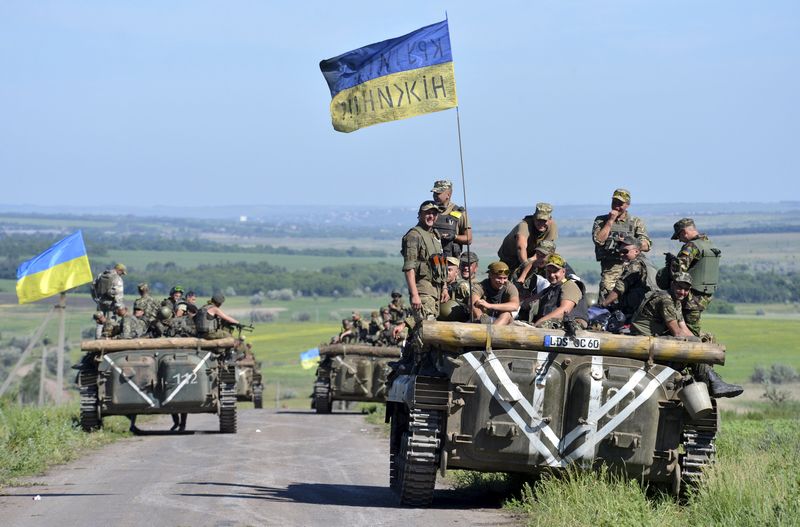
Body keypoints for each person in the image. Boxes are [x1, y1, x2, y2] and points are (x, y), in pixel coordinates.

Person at [630, 273, 742, 398]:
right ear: (672, 285)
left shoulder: (676, 301)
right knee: (693, 344)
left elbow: (684, 328)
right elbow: (677, 332)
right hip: (645, 339)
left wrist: (701, 344)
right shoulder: (665, 299)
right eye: (679, 287)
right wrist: (697, 345)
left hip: (655, 338)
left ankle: (712, 382)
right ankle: (712, 384)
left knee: (698, 341)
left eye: (686, 289)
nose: (682, 292)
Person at [592, 189, 651, 298]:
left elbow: (646, 244)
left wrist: (629, 243)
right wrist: (610, 221)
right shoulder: (601, 220)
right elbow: (598, 240)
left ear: (627, 205)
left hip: (632, 268)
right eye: (614, 202)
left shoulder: (635, 222)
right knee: (607, 299)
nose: (616, 206)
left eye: (620, 204)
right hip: (611, 268)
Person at [669, 218, 721, 336]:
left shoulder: (692, 246)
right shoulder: (708, 244)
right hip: (705, 295)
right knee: (693, 326)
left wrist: (672, 263)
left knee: (689, 330)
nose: (680, 240)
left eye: (679, 237)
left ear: (684, 232)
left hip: (690, 296)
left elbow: (678, 271)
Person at [401, 200, 448, 326]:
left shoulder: (435, 235)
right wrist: (414, 295)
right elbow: (409, 268)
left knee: (431, 332)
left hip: (436, 290)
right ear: (420, 214)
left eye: (434, 213)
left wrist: (444, 287)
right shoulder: (413, 236)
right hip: (423, 290)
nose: (431, 216)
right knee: (425, 331)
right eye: (427, 213)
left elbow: (440, 262)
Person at [600, 236, 660, 317]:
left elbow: (620, 287)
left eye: (625, 251)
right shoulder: (648, 263)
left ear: (636, 251)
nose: (621, 254)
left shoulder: (635, 264)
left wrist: (603, 304)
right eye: (620, 251)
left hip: (644, 306)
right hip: (654, 303)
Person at [497, 202, 558, 274]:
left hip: (532, 257)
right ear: (534, 217)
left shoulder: (552, 227)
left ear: (550, 220)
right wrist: (526, 266)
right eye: (538, 220)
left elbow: (546, 250)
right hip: (510, 259)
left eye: (544, 221)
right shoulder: (524, 225)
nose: (541, 223)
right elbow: (521, 248)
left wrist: (533, 262)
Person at [533, 254, 589, 329]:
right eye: (549, 271)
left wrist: (538, 323)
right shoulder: (549, 290)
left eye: (555, 271)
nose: (552, 275)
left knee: (541, 326)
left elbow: (564, 311)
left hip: (571, 327)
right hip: (554, 324)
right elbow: (529, 302)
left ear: (563, 271)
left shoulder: (569, 286)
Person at [431, 179, 472, 258]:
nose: (435, 196)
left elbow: (469, 239)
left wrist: (454, 237)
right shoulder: (429, 211)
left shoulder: (459, 213)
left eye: (438, 193)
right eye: (434, 193)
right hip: (432, 259)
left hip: (450, 261)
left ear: (448, 195)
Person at [471, 261, 520, 325]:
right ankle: (482, 324)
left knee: (506, 314)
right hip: (486, 316)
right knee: (475, 307)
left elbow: (515, 306)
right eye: (499, 278)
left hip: (502, 317)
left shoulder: (510, 287)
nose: (502, 282)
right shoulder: (481, 286)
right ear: (490, 276)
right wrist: (479, 310)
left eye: (505, 278)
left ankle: (492, 332)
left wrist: (489, 305)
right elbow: (473, 301)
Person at [92, 263, 126, 338]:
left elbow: (93, 287)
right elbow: (118, 294)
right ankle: (108, 340)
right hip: (111, 305)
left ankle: (98, 339)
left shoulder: (101, 275)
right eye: (122, 273)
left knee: (99, 322)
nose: (122, 275)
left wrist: (96, 299)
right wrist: (119, 307)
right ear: (119, 270)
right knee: (110, 324)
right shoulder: (117, 278)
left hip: (100, 303)